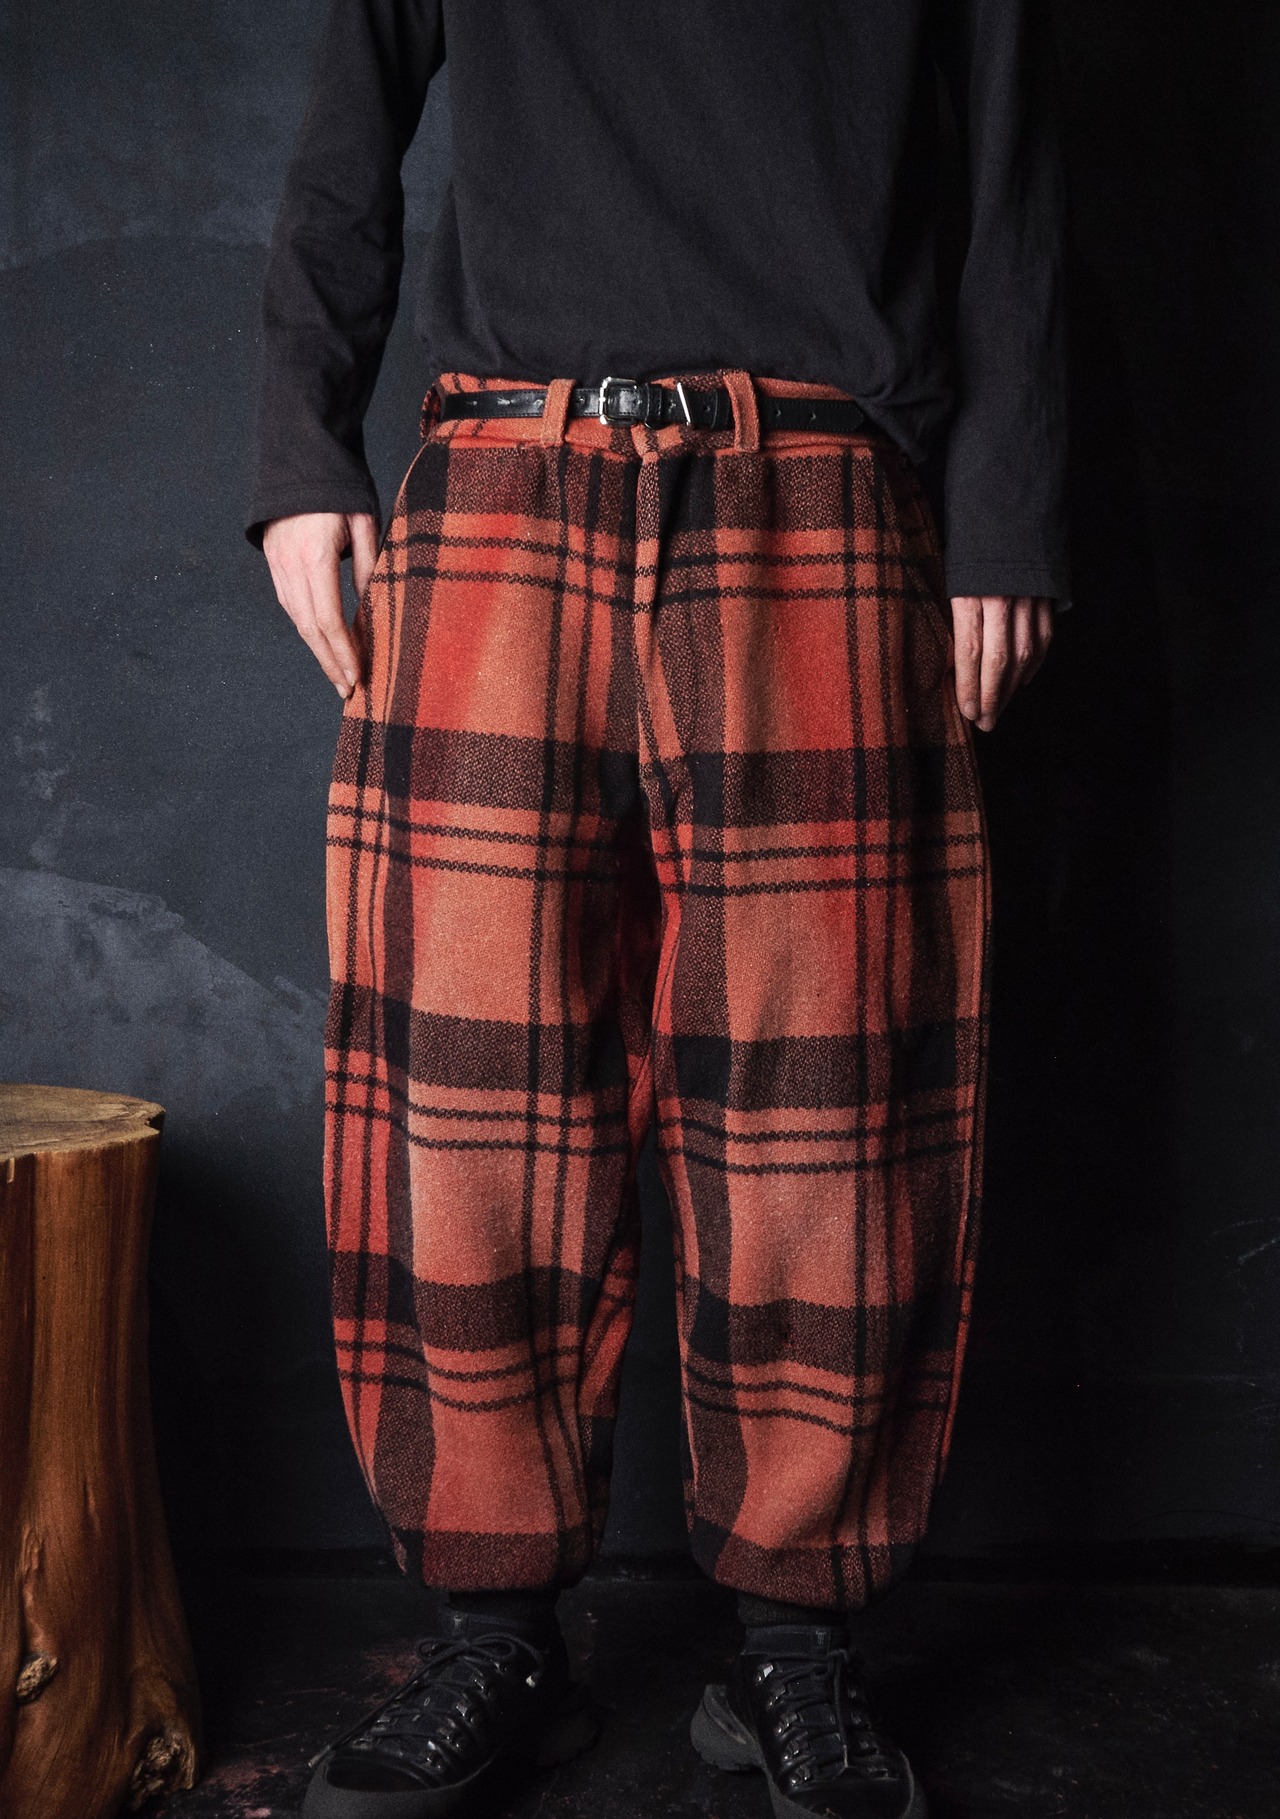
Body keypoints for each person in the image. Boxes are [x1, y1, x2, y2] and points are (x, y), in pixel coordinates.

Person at [249, 4, 1067, 1815]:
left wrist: (1008, 513)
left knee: (827, 1107)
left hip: (821, 479)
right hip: (503, 471)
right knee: (466, 1094)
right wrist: (301, 446)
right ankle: (494, 1634)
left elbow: (1010, 170)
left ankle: (797, 1645)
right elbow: (347, 127)